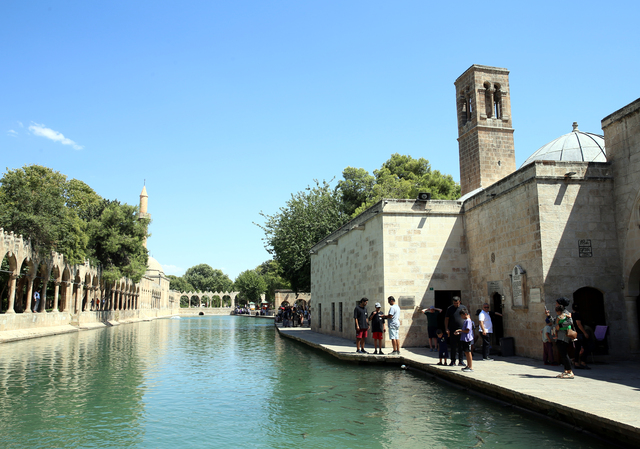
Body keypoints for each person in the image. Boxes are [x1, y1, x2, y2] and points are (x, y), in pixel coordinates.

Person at [551, 303, 575, 379]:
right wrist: (548, 316)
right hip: (559, 337)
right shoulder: (558, 316)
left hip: (564, 337)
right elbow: (553, 322)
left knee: (564, 354)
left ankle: (570, 371)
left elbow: (570, 322)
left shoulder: (566, 314)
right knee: (562, 354)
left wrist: (560, 326)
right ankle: (566, 371)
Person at [444, 296, 466, 366]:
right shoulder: (450, 308)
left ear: (459, 302)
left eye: (457, 303)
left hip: (461, 330)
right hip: (453, 329)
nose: (455, 304)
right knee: (453, 346)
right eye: (454, 303)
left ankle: (461, 360)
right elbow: (446, 319)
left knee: (461, 346)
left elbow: (467, 317)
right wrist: (446, 328)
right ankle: (452, 360)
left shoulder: (463, 308)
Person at [571, 303, 591, 370]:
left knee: (577, 348)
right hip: (579, 334)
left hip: (574, 334)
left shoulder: (571, 315)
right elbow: (579, 324)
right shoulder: (577, 315)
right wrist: (585, 333)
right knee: (586, 347)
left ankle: (576, 363)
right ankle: (583, 362)